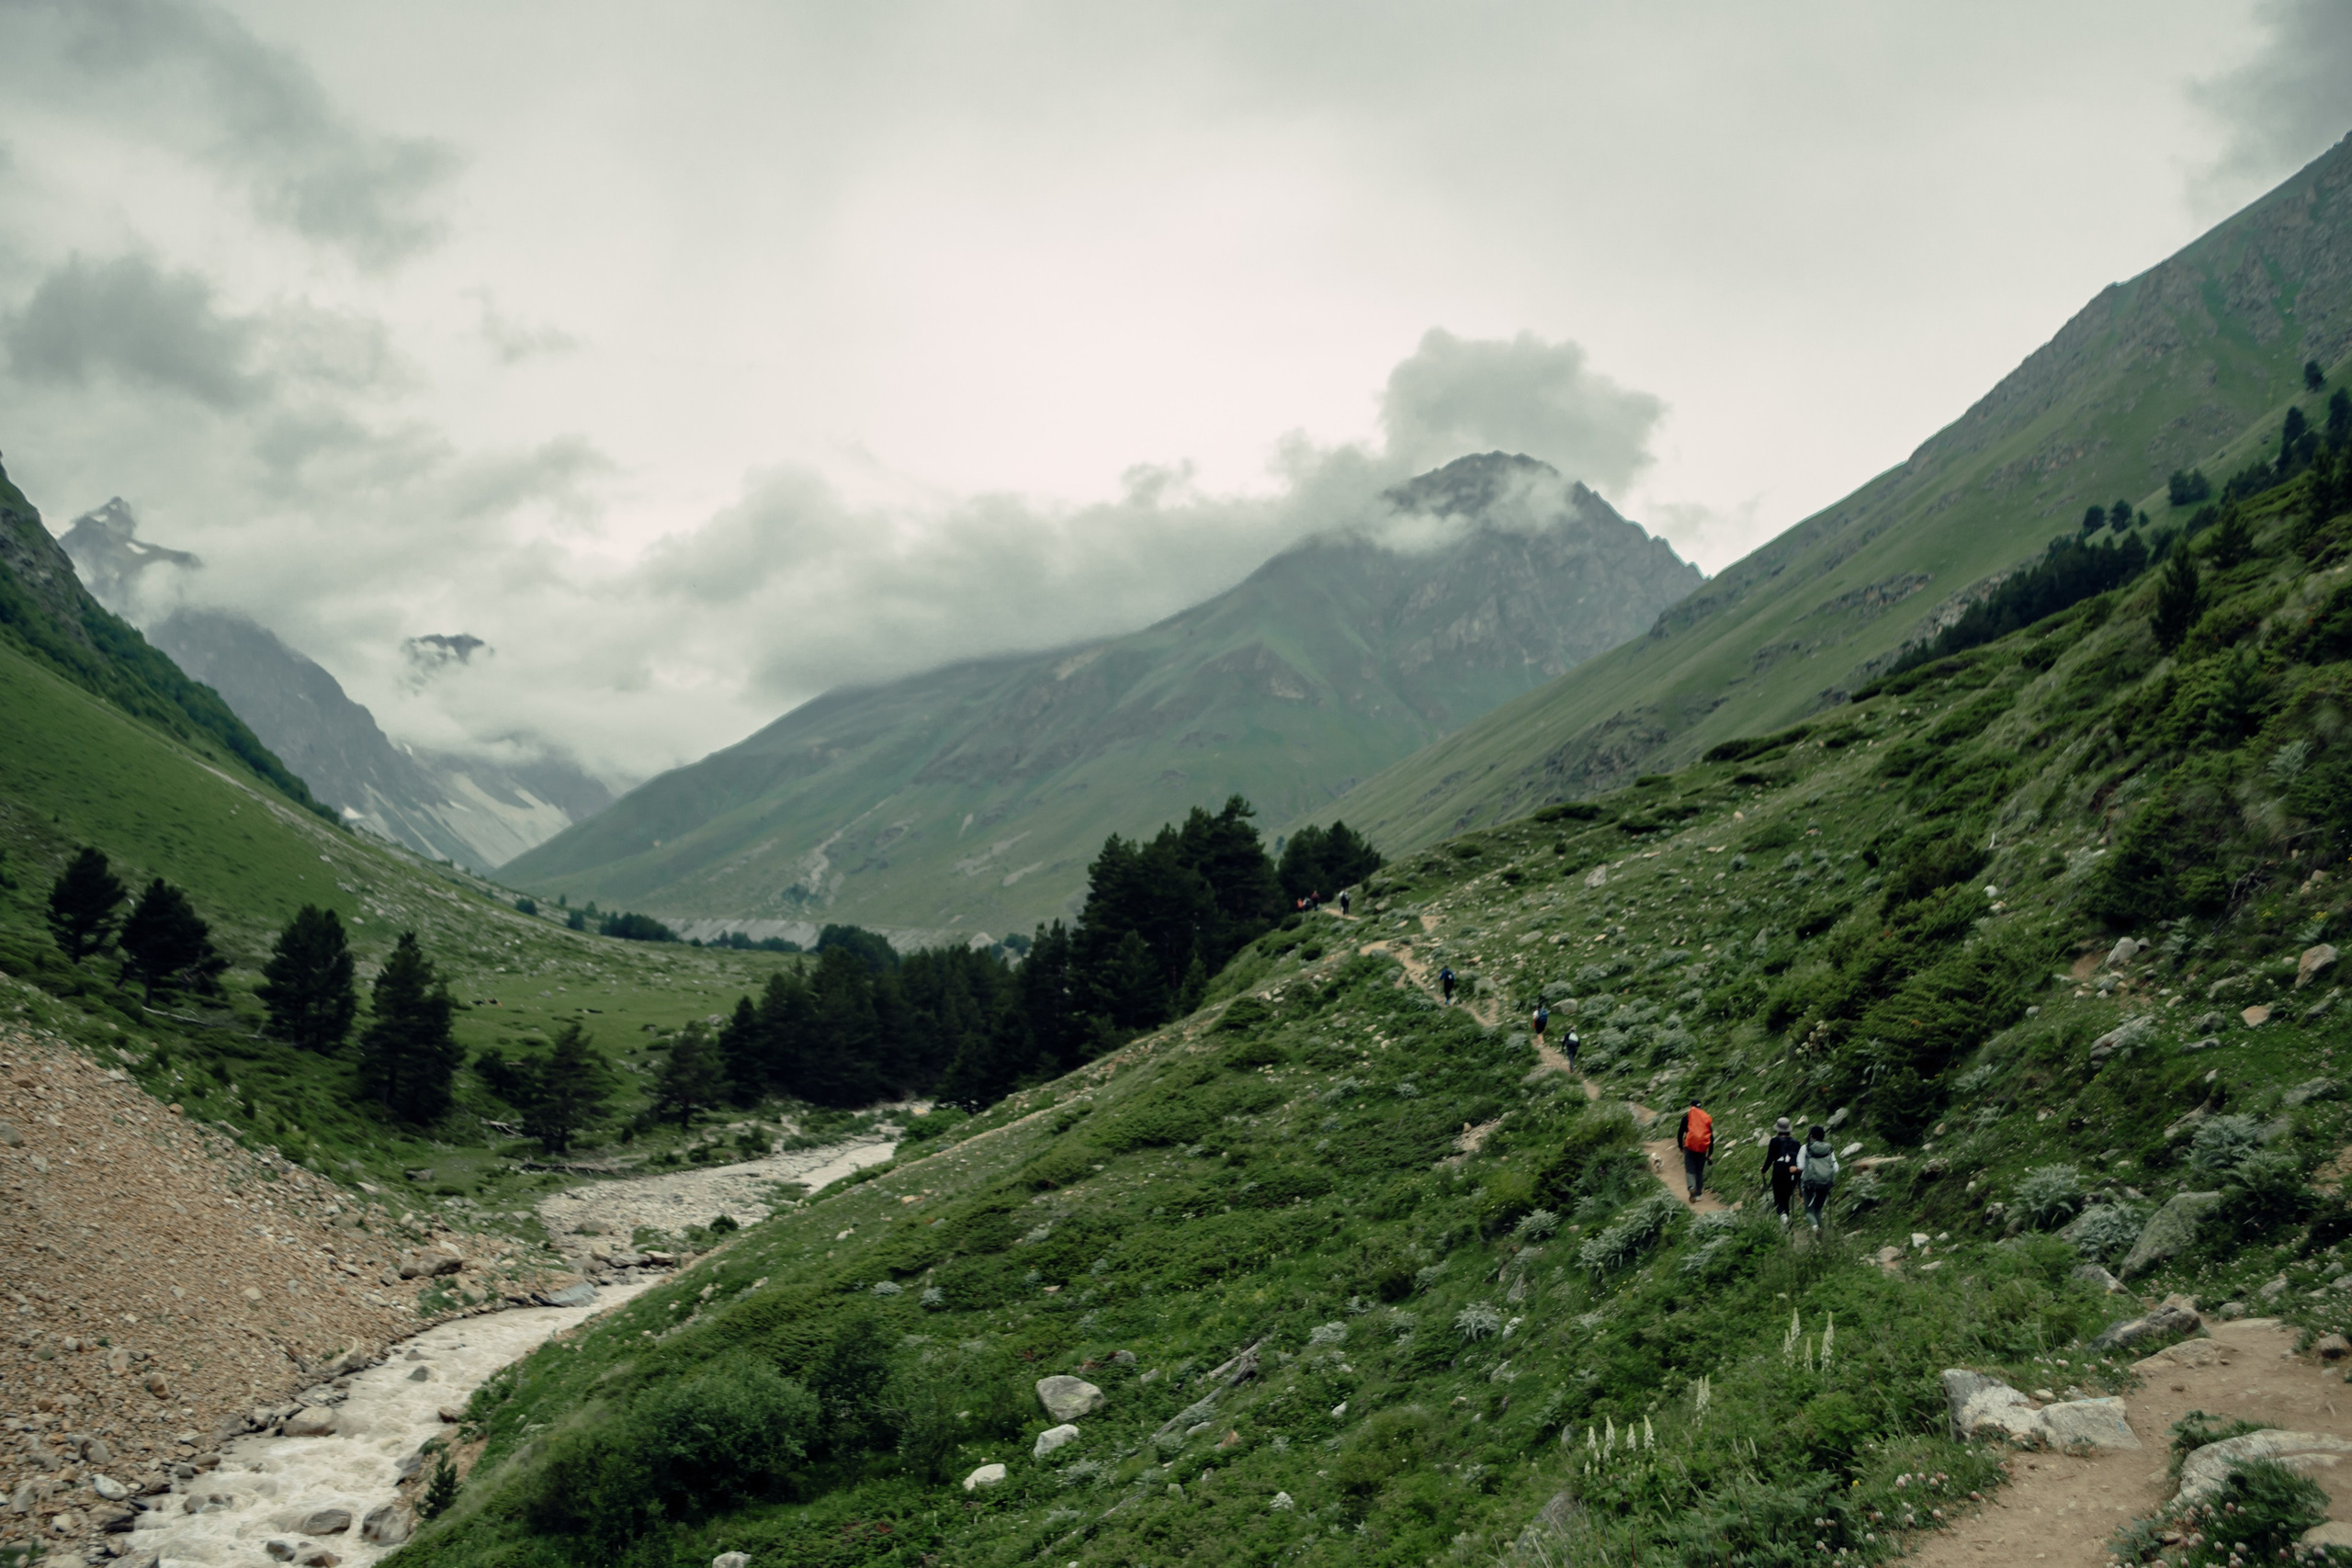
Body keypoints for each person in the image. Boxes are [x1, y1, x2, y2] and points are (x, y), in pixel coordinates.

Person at [1797, 1123, 1838, 1232]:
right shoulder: (1828, 1148)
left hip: (1809, 1183)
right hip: (1825, 1183)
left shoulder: (1805, 1148)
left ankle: (1815, 1229)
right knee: (1818, 1210)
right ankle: (1820, 1241)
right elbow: (1836, 1168)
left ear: (1811, 1136)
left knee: (1809, 1211)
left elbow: (1800, 1167)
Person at [1763, 1116, 1802, 1225]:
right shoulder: (1796, 1143)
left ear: (1778, 1129)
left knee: (1778, 1201)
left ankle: (1784, 1219)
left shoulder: (1775, 1141)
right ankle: (1787, 1226)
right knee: (1786, 1199)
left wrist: (1764, 1169)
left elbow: (1770, 1158)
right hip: (1793, 1173)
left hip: (1779, 1172)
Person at [1676, 1099, 1713, 1202]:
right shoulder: (1705, 1118)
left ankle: (1691, 1187)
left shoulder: (1686, 1118)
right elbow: (1711, 1137)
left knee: (1690, 1170)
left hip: (1689, 1147)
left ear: (1691, 1107)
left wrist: (1680, 1146)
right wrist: (1710, 1153)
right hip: (1702, 1148)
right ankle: (1699, 1194)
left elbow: (1680, 1133)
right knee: (1699, 1171)